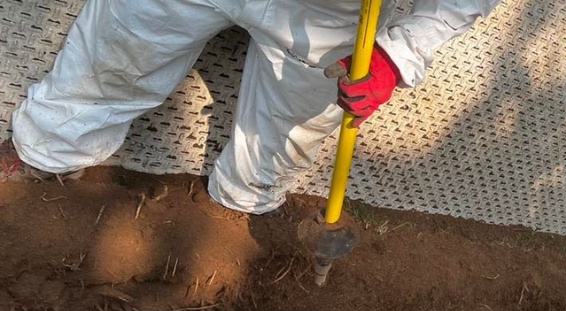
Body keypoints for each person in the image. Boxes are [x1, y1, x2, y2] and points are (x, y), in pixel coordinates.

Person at [1, 0, 502, 214]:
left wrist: (399, 53)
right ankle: (46, 148)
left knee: (293, 128)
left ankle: (242, 205)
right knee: (115, 56)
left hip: (330, 11)